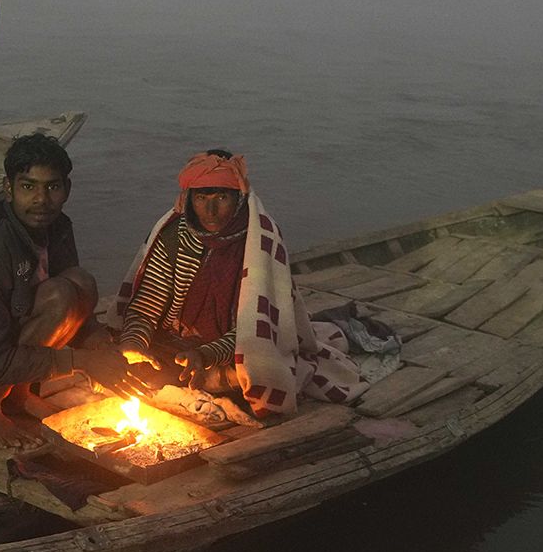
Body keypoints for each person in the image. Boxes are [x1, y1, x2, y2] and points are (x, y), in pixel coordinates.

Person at [0, 132, 148, 447]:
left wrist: (102, 347)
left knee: (78, 284)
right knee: (62, 295)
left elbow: (73, 310)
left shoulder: (57, 227)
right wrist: (83, 362)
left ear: (67, 189)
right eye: (28, 187)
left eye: (52, 187)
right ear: (9, 189)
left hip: (3, 345)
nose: (41, 200)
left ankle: (19, 396)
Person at [114, 150, 368, 417]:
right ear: (189, 199)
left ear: (239, 198)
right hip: (176, 343)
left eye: (221, 197)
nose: (210, 211)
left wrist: (205, 355)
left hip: (234, 350)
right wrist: (135, 343)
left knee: (257, 374)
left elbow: (255, 327)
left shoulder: (259, 239)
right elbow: (147, 304)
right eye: (201, 198)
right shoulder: (174, 236)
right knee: (135, 364)